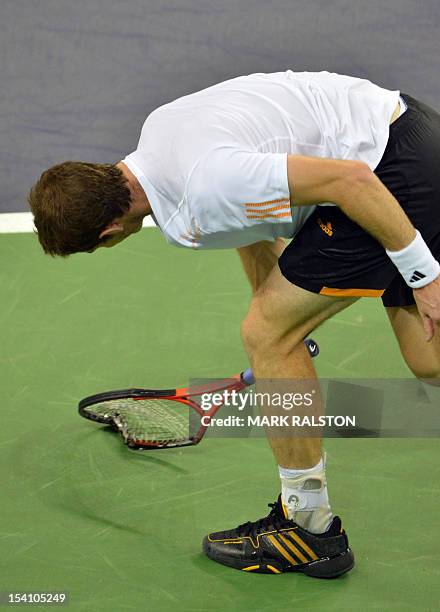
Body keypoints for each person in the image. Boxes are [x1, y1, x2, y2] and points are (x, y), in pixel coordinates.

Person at [29, 70, 440, 578]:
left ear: (109, 232)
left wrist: (422, 275)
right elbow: (251, 221)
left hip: (384, 172)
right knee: (430, 361)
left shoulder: (202, 188)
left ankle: (308, 529)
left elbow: (349, 180)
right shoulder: (160, 140)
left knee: (265, 332)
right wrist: (289, 335)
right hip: (410, 133)